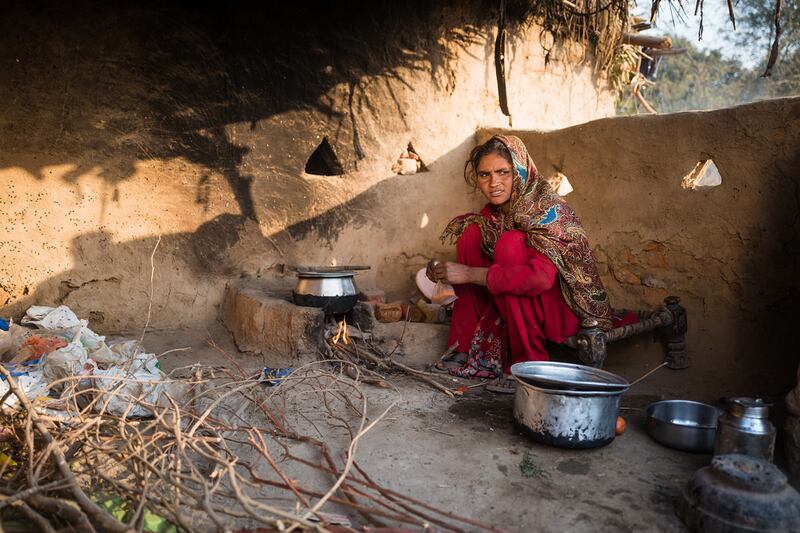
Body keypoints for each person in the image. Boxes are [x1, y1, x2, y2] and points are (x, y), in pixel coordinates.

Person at [427, 135, 636, 392]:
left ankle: (529, 362)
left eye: (503, 172)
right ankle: (467, 346)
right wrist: (445, 272)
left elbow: (538, 279)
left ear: (520, 171)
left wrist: (470, 274)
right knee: (473, 230)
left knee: (510, 244)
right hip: (526, 309)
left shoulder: (548, 211)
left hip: (568, 312)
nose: (494, 183)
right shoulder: (500, 212)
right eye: (485, 175)